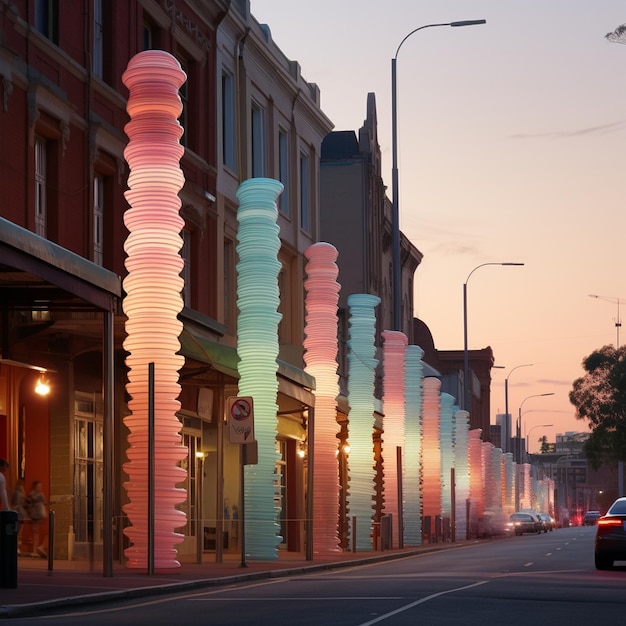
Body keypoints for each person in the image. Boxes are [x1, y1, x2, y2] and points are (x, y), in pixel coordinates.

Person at [27, 480, 47, 558]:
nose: (40, 488)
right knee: (35, 531)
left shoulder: (37, 495)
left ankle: (36, 550)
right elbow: (28, 504)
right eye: (39, 486)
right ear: (35, 487)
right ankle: (35, 550)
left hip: (38, 514)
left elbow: (44, 502)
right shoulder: (33, 494)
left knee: (36, 531)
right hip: (35, 514)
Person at [11, 478, 28, 555]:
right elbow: (23, 499)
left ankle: (15, 546)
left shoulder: (15, 491)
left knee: (16, 529)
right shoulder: (20, 491)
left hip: (17, 511)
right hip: (20, 512)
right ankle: (16, 546)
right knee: (19, 530)